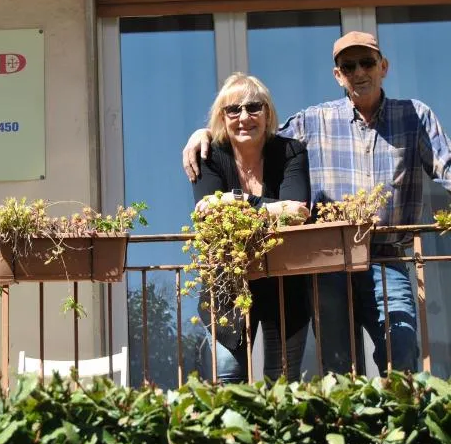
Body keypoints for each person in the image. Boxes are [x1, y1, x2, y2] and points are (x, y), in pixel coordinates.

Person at [183, 31, 451, 376]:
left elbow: (446, 168)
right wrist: (205, 133)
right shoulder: (314, 120)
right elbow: (254, 135)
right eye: (348, 66)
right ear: (338, 75)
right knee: (338, 365)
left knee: (400, 352)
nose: (359, 72)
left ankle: (395, 411)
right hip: (329, 263)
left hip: (387, 257)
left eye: (367, 63)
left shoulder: (414, 116)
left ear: (383, 67)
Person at [192, 72, 311, 383]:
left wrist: (236, 199)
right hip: (228, 286)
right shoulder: (209, 156)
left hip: (286, 284)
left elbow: (297, 212)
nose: (244, 117)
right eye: (233, 110)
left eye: (253, 107)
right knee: (229, 381)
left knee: (282, 384)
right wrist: (274, 208)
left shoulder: (291, 151)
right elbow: (208, 214)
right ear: (222, 117)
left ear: (267, 113)